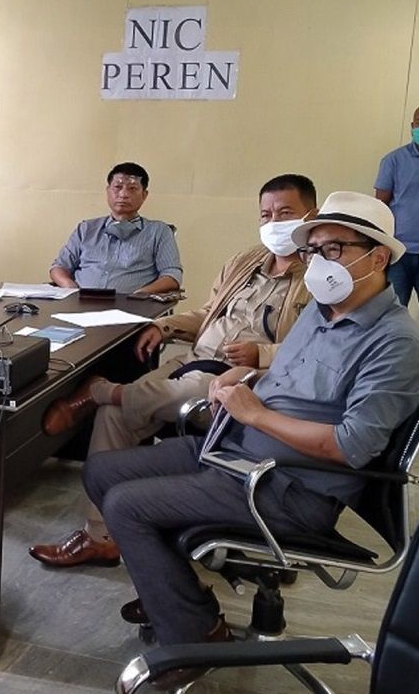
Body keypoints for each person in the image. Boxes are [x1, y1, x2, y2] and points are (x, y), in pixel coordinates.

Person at [83, 191, 419, 690]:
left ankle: (195, 636)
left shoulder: (393, 342)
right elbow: (286, 378)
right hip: (236, 452)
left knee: (127, 506)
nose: (319, 262)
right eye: (314, 250)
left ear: (378, 257)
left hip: (289, 487)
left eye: (334, 249)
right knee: (103, 471)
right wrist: (241, 378)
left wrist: (257, 415)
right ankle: (178, 595)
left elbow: (351, 445)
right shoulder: (321, 311)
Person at [32, 174, 317, 568]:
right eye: (266, 215)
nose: (274, 223)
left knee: (192, 390)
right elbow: (208, 313)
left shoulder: (319, 278)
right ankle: (101, 536)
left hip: (246, 380)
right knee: (114, 414)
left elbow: (316, 348)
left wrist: (261, 354)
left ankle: (96, 391)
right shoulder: (245, 262)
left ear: (311, 216)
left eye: (285, 213)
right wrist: (164, 326)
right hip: (195, 358)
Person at [50, 162, 182, 294]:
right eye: (117, 187)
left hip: (133, 304)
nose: (123, 194)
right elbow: (59, 267)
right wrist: (71, 288)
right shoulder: (86, 229)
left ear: (144, 195)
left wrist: (140, 294)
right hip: (80, 301)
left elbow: (172, 275)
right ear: (108, 191)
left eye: (132, 189)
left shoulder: (159, 231)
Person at [375, 105, 419, 306]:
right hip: (398, 252)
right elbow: (380, 207)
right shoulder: (393, 161)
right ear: (412, 126)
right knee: (392, 308)